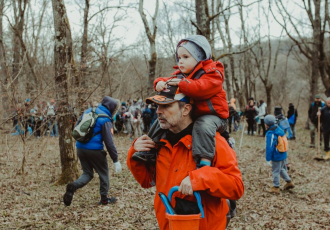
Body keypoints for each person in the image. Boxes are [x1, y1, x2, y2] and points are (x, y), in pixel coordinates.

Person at [127, 90, 244, 230]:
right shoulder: (158, 142)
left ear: (186, 109)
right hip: (169, 224)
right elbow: (146, 181)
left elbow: (236, 187)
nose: (158, 111)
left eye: (166, 106)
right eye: (158, 106)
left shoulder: (212, 142)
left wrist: (200, 178)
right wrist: (134, 153)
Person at [132, 35, 228, 168]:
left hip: (214, 116)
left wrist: (182, 83)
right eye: (179, 58)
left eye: (186, 57)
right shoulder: (182, 74)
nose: (180, 61)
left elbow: (200, 89)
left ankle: (204, 161)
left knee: (203, 125)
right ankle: (149, 148)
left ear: (199, 57)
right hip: (195, 113)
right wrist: (159, 83)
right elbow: (166, 79)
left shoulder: (212, 73)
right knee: (162, 121)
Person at [63, 96, 122, 206]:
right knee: (103, 173)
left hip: (80, 147)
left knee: (88, 173)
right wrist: (115, 160)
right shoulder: (106, 119)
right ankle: (104, 199)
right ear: (112, 108)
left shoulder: (89, 110)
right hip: (95, 150)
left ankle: (73, 186)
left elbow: (76, 127)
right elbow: (109, 142)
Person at [264, 115, 295, 194]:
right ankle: (289, 182)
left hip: (276, 155)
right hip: (283, 154)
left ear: (267, 124)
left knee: (275, 171)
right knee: (281, 169)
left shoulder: (271, 133)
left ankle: (276, 187)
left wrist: (268, 158)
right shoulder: (279, 129)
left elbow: (270, 147)